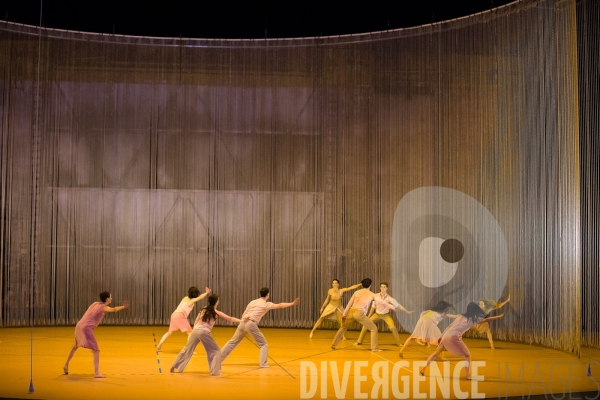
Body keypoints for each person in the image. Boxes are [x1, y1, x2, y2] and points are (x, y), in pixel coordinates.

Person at [419, 302, 505, 380]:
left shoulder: (461, 316)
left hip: (446, 335)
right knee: (468, 355)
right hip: (453, 337)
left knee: (436, 353)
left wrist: (442, 337)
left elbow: (450, 326)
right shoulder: (473, 319)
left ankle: (423, 369)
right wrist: (498, 317)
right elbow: (486, 320)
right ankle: (468, 376)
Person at [220, 287, 299, 368]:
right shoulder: (266, 304)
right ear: (268, 294)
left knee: (232, 342)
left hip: (242, 322)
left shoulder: (253, 302)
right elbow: (280, 305)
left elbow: (243, 315)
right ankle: (263, 364)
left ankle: (218, 360)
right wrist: (292, 303)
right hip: (251, 324)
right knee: (263, 344)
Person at [170, 294, 241, 376]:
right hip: (204, 332)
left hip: (195, 330)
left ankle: (174, 366)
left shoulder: (203, 309)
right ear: (217, 302)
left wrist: (194, 331)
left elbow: (196, 321)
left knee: (187, 349)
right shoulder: (216, 312)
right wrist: (242, 320)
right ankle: (215, 372)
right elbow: (230, 319)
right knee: (215, 351)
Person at [63, 292, 129, 378]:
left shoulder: (95, 304)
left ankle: (66, 365)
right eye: (110, 297)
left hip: (79, 325)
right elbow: (114, 310)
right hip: (86, 328)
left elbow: (90, 315)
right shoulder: (104, 308)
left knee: (75, 346)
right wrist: (123, 306)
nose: (111, 298)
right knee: (96, 350)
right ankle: (97, 373)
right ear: (107, 299)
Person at [331, 278, 397, 352]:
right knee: (374, 328)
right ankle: (374, 348)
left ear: (362, 285)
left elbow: (349, 304)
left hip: (351, 312)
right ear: (370, 285)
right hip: (359, 313)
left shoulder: (356, 292)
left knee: (343, 327)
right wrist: (394, 308)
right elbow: (383, 303)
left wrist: (344, 315)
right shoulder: (372, 294)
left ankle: (333, 344)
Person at [355, 282, 414, 346]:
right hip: (377, 314)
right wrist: (369, 315)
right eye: (381, 287)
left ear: (387, 288)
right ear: (380, 288)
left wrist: (406, 311)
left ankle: (399, 343)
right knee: (366, 325)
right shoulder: (376, 296)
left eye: (384, 287)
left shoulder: (389, 298)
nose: (382, 288)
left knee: (392, 327)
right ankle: (359, 341)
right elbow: (373, 306)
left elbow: (398, 305)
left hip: (386, 315)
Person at [156, 286, 211, 351]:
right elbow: (200, 297)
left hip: (174, 315)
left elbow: (198, 298)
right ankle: (189, 349)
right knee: (190, 332)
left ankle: (159, 345)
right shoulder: (191, 301)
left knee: (169, 332)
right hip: (180, 316)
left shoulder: (185, 298)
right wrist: (206, 293)